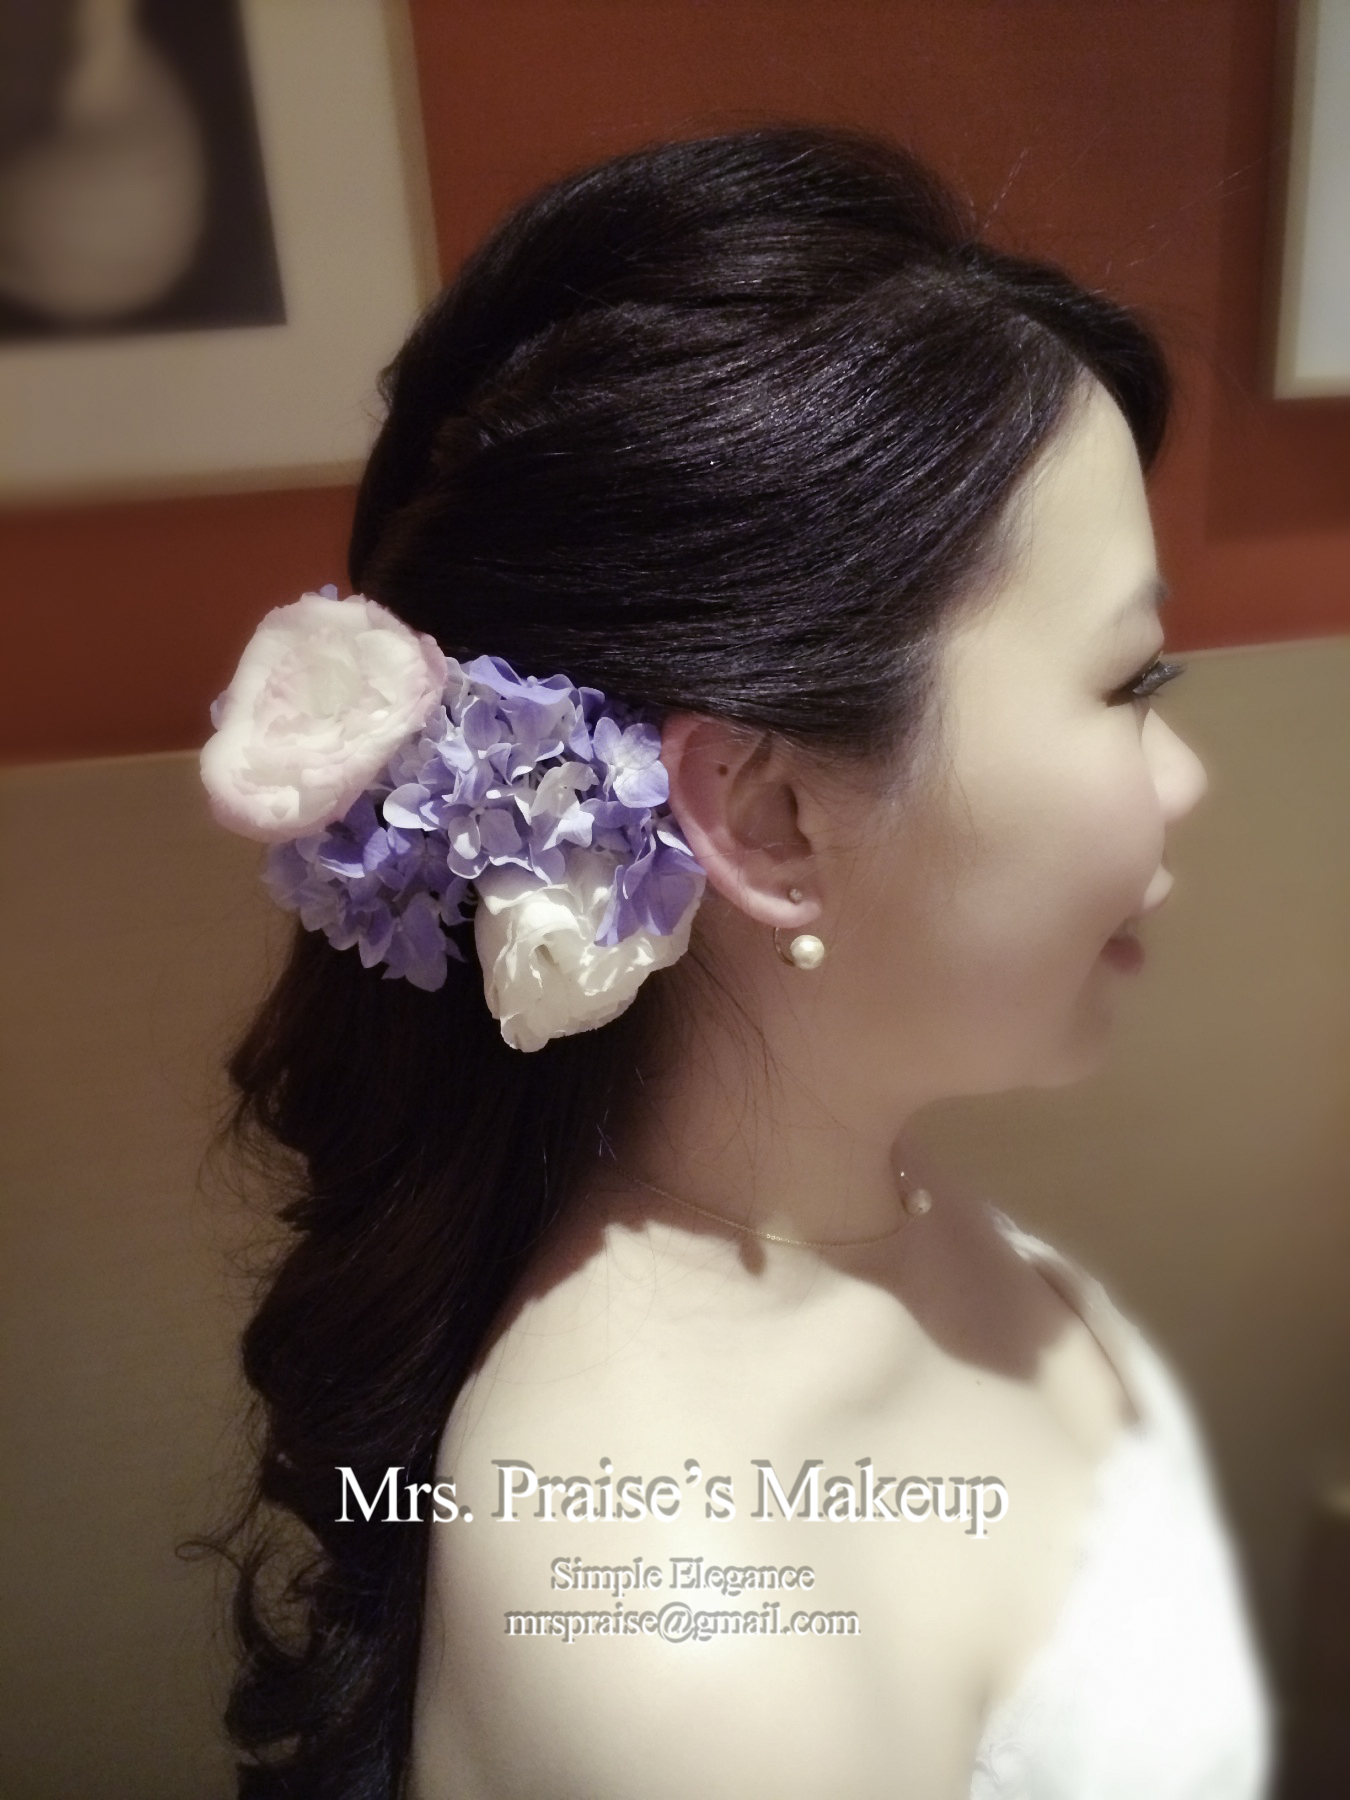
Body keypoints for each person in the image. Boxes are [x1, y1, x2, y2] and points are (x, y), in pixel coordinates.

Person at [203, 128, 1271, 1799]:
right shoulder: (692, 1639)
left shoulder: (873, 1217)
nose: (1180, 775)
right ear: (764, 817)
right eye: (1127, 685)